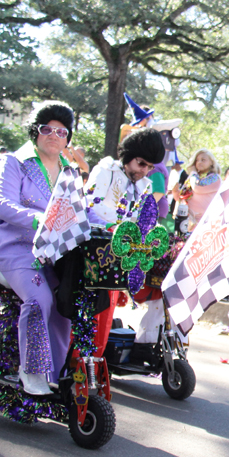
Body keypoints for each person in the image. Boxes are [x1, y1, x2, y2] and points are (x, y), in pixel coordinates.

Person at [0, 100, 77, 395]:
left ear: (68, 138)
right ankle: (33, 372)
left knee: (65, 306)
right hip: (18, 250)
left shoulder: (70, 171)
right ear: (35, 131)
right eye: (47, 129)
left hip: (55, 255)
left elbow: (82, 210)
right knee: (41, 300)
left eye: (62, 131)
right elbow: (3, 205)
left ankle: (53, 375)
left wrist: (112, 225)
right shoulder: (14, 162)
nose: (54, 135)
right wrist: (41, 219)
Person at [85, 127, 165, 365]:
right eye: (141, 163)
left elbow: (142, 222)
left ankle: (94, 371)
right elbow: (89, 207)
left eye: (150, 167)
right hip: (91, 254)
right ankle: (73, 370)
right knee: (86, 316)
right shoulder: (105, 171)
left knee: (105, 317)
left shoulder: (145, 186)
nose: (145, 171)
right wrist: (120, 226)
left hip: (119, 258)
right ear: (128, 155)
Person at [172, 148, 222, 230]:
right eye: (197, 160)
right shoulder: (193, 177)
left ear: (211, 163)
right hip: (186, 222)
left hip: (205, 224)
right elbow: (180, 197)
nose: (199, 162)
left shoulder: (215, 178)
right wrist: (175, 191)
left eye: (203, 160)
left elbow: (197, 187)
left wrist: (193, 172)